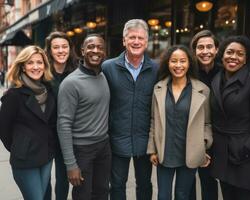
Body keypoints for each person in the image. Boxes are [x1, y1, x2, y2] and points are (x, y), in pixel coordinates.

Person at [147, 45, 213, 200]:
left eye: (182, 61)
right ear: (167, 64)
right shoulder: (158, 88)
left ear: (189, 63)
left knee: (182, 195)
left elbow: (207, 124)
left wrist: (203, 146)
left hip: (190, 152)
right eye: (174, 61)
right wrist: (152, 149)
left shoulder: (203, 90)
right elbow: (153, 121)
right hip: (164, 151)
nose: (178, 65)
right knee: (163, 196)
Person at [102, 19, 158, 200]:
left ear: (146, 41)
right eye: (131, 37)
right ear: (124, 41)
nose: (136, 41)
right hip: (117, 138)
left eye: (140, 38)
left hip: (145, 139)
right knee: (117, 185)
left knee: (144, 184)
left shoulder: (156, 69)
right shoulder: (108, 67)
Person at [210, 35, 250, 200]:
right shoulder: (216, 79)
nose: (233, 57)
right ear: (222, 54)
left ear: (245, 58)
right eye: (230, 52)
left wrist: (247, 149)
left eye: (240, 54)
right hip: (222, 156)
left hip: (246, 158)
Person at [57, 34, 111, 200]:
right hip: (82, 150)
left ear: (104, 52)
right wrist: (70, 164)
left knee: (102, 193)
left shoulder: (102, 76)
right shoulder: (70, 83)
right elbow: (63, 124)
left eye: (100, 47)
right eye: (90, 47)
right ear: (82, 51)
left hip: (103, 147)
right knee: (83, 196)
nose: (95, 51)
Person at [0, 45, 57, 200]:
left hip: (46, 157)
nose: (36, 67)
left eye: (39, 62)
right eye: (30, 63)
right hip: (25, 160)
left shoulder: (49, 91)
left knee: (45, 196)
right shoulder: (13, 95)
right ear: (23, 66)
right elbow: (3, 129)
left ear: (45, 65)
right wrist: (20, 147)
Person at [44, 31, 77, 200]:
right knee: (44, 178)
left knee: (63, 178)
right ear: (49, 51)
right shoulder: (42, 73)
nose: (61, 50)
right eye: (56, 47)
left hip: (67, 135)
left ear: (70, 49)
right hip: (46, 134)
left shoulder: (77, 71)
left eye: (64, 46)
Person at [189, 30, 220, 200]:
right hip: (191, 136)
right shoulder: (187, 73)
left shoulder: (225, 72)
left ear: (216, 49)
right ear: (194, 51)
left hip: (216, 137)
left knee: (209, 182)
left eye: (209, 47)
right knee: (188, 183)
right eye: (200, 47)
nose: (205, 51)